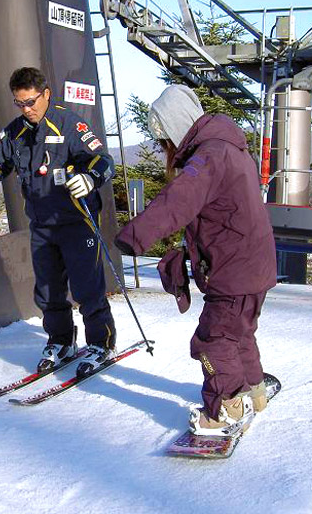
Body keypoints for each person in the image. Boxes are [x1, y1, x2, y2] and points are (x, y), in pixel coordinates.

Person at [113, 84, 277, 436]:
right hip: (251, 266)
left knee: (212, 341)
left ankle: (226, 408)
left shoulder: (209, 156)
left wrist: (132, 236)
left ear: (174, 128)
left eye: (163, 140)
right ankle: (254, 393)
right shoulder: (227, 148)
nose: (163, 149)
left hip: (234, 270)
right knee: (240, 334)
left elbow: (176, 202)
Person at [0, 67, 116, 377]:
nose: (27, 109)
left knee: (86, 287)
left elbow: (103, 161)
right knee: (48, 290)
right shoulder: (15, 132)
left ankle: (101, 342)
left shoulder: (70, 124)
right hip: (42, 223)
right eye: (20, 103)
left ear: (45, 94)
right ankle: (61, 340)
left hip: (76, 220)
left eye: (31, 102)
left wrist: (89, 177)